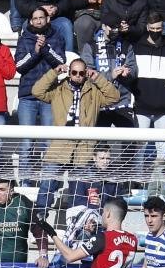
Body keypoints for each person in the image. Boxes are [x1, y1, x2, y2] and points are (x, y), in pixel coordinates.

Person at [31, 59, 121, 212]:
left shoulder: (94, 91)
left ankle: (77, 221)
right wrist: (54, 72)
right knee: (47, 184)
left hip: (84, 148)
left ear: (86, 73)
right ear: (69, 72)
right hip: (60, 145)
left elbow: (114, 97)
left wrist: (98, 78)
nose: (78, 76)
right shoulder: (58, 89)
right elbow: (37, 91)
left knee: (79, 190)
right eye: (74, 72)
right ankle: (40, 220)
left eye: (81, 73)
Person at [15, 7, 68, 175]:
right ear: (30, 21)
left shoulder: (57, 37)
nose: (38, 21)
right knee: (26, 142)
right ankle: (25, 180)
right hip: (27, 96)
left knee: (48, 141)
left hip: (49, 96)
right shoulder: (24, 39)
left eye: (41, 18)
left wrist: (45, 48)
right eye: (35, 18)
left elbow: (61, 63)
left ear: (48, 19)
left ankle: (48, 180)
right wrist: (36, 51)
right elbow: (19, 66)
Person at [132, 12, 165, 165]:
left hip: (164, 109)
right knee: (139, 150)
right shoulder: (137, 48)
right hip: (141, 108)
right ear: (147, 27)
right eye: (152, 28)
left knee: (162, 152)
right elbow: (131, 74)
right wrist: (137, 94)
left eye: (158, 28)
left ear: (163, 28)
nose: (155, 31)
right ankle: (137, 181)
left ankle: (159, 182)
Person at [81, 14, 137, 136]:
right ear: (104, 26)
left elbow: (133, 70)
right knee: (99, 144)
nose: (115, 31)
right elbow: (87, 74)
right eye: (112, 27)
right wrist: (110, 75)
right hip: (99, 101)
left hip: (122, 101)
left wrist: (127, 73)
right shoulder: (91, 46)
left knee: (130, 142)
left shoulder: (126, 45)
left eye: (117, 28)